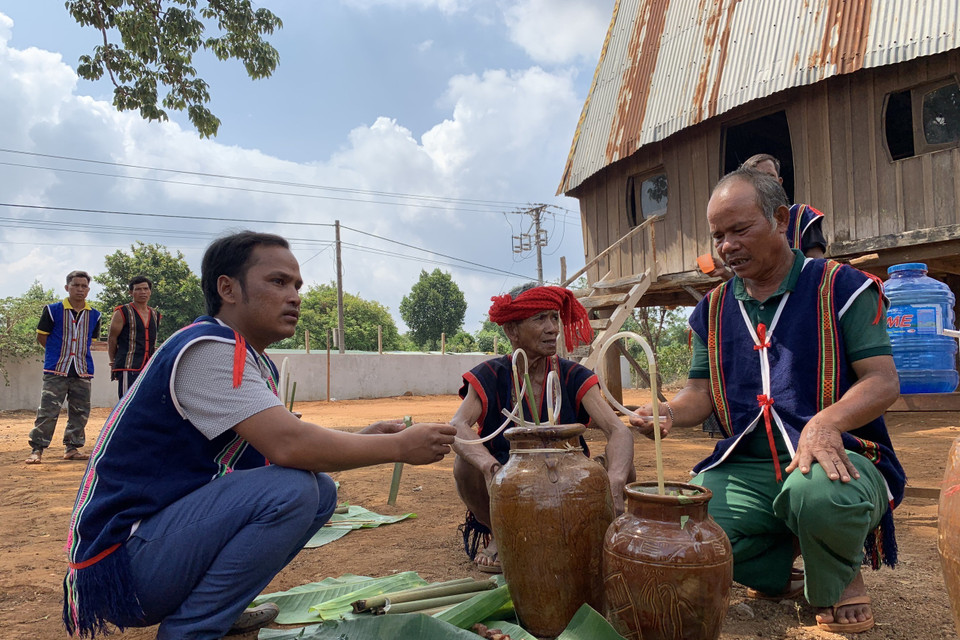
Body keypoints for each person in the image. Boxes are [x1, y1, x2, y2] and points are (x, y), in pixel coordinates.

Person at [62, 231, 457, 639]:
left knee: (318, 490)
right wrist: (396, 447)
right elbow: (289, 445)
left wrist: (363, 435)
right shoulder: (209, 350)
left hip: (151, 548)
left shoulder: (244, 355)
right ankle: (192, 630)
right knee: (293, 491)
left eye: (297, 286)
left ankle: (215, 610)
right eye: (278, 282)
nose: (295, 296)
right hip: (122, 564)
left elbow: (273, 451)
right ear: (227, 288)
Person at [631, 168, 905, 634]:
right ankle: (783, 565)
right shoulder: (712, 310)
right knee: (682, 535)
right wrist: (672, 411)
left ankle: (839, 574)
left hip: (839, 459)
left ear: (780, 219)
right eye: (718, 235)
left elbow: (882, 381)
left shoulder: (842, 286)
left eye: (740, 230)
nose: (727, 246)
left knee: (816, 494)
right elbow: (699, 391)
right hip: (748, 465)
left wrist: (826, 422)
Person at [451, 284, 635, 573]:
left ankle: (594, 534)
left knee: (623, 461)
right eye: (540, 319)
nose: (552, 329)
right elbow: (457, 427)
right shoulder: (490, 375)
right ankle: (501, 533)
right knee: (465, 465)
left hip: (568, 482)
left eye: (554, 318)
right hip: (509, 486)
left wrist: (614, 482)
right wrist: (490, 469)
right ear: (512, 331)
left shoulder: (574, 375)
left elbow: (618, 430)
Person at [702, 153, 826, 280]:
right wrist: (724, 273)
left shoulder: (802, 214)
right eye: (718, 236)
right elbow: (744, 287)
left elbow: (816, 270)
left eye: (769, 176)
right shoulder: (717, 298)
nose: (727, 245)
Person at [26, 271, 101, 464]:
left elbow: (90, 341)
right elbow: (42, 337)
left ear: (88, 290)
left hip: (82, 369)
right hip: (56, 369)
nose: (80, 289)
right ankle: (37, 449)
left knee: (80, 411)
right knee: (48, 410)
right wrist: (58, 354)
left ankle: (72, 448)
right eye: (76, 285)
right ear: (67, 287)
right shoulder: (53, 310)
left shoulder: (96, 315)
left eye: (84, 286)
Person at [107, 275, 161, 399]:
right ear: (131, 292)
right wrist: (113, 362)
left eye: (146, 289)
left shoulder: (155, 314)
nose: (143, 292)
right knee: (127, 401)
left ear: (150, 292)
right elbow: (112, 338)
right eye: (138, 289)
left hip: (148, 366)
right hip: (128, 365)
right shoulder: (122, 312)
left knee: (146, 401)